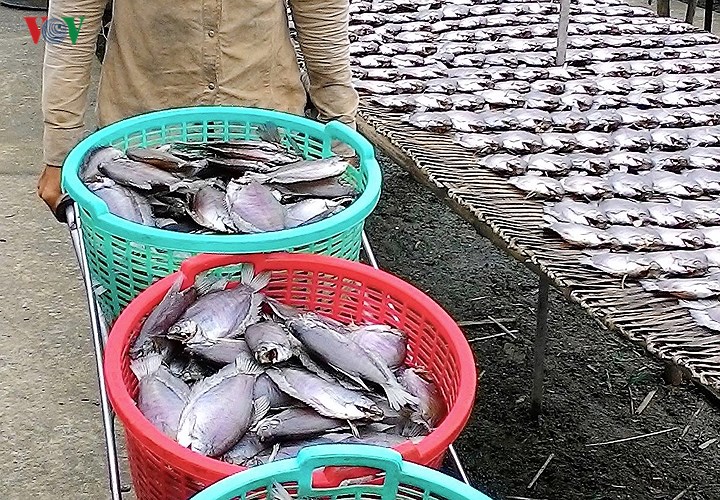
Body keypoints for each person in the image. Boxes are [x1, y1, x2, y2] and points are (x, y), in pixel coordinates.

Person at [37, 0, 359, 214]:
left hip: (265, 137)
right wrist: (59, 153)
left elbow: (323, 23)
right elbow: (67, 29)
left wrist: (342, 139)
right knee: (143, 280)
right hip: (144, 140)